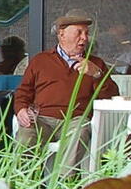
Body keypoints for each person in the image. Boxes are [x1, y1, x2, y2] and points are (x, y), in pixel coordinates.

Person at [12, 11, 117, 169]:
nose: (84, 38)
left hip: (74, 120)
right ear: (62, 34)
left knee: (80, 132)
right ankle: (22, 186)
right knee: (25, 136)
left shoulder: (95, 64)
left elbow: (112, 97)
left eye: (86, 33)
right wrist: (20, 109)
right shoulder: (41, 60)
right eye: (79, 32)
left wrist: (96, 74)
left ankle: (62, 185)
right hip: (42, 119)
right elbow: (23, 92)